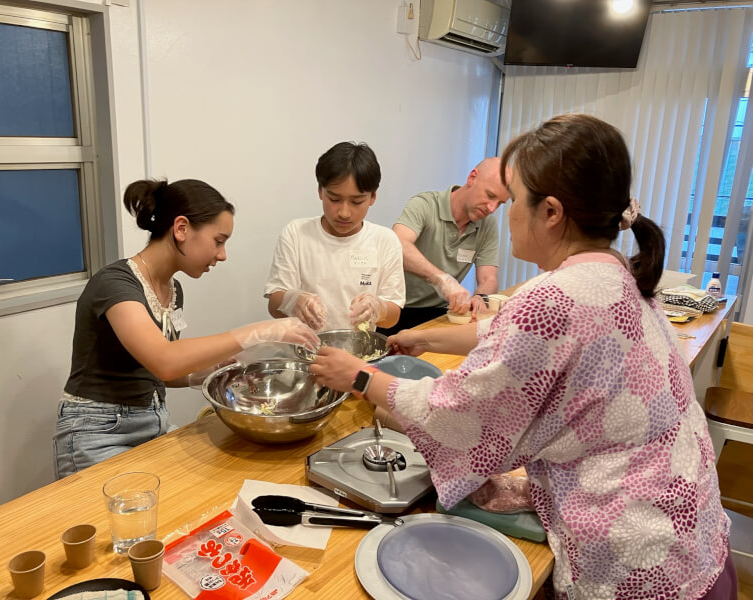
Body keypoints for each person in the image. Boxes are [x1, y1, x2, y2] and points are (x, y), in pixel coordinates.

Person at [310, 115, 735, 599]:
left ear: (550, 212)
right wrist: (429, 340)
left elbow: (459, 414)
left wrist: (361, 377)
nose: (503, 212)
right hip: (693, 541)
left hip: (634, 563)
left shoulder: (553, 297)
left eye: (511, 200)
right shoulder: (614, 273)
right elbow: (517, 335)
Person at [54, 179, 318, 478]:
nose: (222, 254)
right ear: (181, 229)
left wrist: (213, 371)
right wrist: (261, 332)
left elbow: (160, 372)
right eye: (219, 241)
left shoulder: (173, 289)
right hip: (98, 431)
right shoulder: (115, 284)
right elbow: (164, 360)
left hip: (152, 421)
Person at [264, 142, 405, 332]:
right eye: (334, 199)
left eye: (357, 201)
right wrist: (293, 300)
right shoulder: (297, 233)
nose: (344, 213)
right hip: (306, 346)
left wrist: (378, 308)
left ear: (372, 197)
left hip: (357, 347)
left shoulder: (385, 241)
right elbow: (274, 305)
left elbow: (392, 317)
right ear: (320, 191)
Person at [381, 157, 510, 335]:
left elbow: (488, 278)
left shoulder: (488, 225)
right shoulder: (425, 205)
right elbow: (398, 244)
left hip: (440, 314)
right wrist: (442, 280)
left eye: (500, 203)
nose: (492, 208)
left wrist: (481, 297)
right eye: (490, 196)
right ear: (472, 177)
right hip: (397, 310)